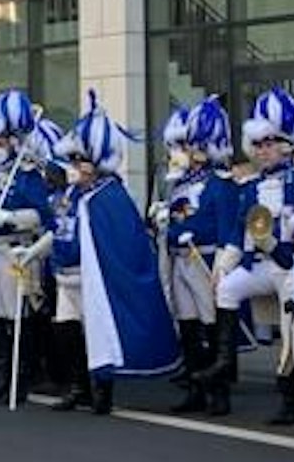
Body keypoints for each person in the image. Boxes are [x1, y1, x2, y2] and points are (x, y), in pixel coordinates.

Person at [20, 90, 180, 414]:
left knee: (99, 334)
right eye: (74, 159)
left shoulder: (109, 196)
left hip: (93, 278)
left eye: (82, 159)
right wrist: (32, 252)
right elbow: (58, 229)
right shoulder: (71, 194)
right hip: (66, 275)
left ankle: (100, 389)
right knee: (65, 330)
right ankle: (78, 385)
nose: (76, 166)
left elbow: (119, 241)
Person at [217, 89, 294, 425]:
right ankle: (224, 365)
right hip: (260, 264)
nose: (263, 151)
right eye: (258, 145)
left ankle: (291, 398)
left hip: (290, 266)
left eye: (269, 143)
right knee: (226, 290)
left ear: (284, 144)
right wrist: (223, 265)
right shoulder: (251, 187)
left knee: (290, 328)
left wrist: (276, 243)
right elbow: (238, 231)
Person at [156, 97, 242, 415]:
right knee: (189, 327)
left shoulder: (220, 183)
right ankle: (194, 388)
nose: (190, 151)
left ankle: (217, 392)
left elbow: (228, 225)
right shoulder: (179, 183)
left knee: (210, 326)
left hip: (204, 258)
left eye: (197, 145)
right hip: (180, 257)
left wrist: (222, 263)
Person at [0, 92, 52, 405]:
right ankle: (1, 375)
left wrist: (12, 218)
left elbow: (42, 215)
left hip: (14, 250)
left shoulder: (28, 174)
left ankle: (21, 377)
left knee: (18, 317)